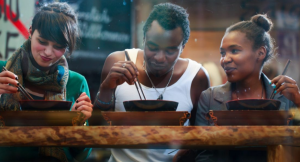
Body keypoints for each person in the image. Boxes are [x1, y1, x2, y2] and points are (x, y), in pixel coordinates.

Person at [93, 2, 209, 162]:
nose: (160, 58)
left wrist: (190, 151)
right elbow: (95, 129)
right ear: (143, 39)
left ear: (182, 47)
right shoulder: (118, 61)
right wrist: (106, 88)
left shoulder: (196, 76)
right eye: (152, 47)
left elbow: (201, 138)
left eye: (170, 50)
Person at [191, 14, 300, 162]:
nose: (225, 59)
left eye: (234, 51)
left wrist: (299, 102)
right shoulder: (210, 97)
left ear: (260, 53)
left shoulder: (284, 97)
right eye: (223, 53)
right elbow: (203, 153)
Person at [0, 2, 93, 162]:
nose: (48, 52)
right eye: (42, 41)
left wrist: (81, 123)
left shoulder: (76, 82)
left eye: (58, 46)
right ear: (30, 32)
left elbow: (82, 154)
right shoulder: (3, 71)